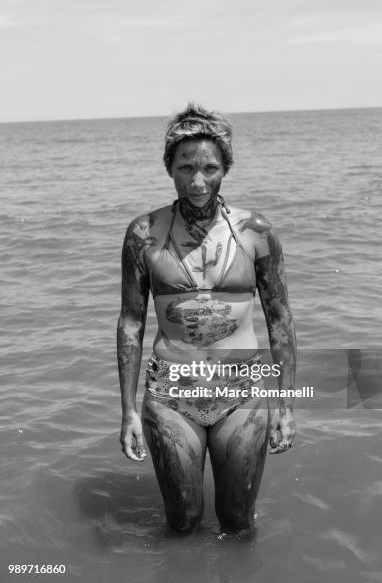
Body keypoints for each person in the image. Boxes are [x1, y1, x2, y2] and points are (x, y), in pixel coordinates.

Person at [117, 103, 296, 535]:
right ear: (169, 168)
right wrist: (128, 412)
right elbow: (130, 324)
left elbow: (280, 321)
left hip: (244, 392)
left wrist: (286, 406)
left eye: (209, 168)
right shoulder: (144, 235)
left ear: (225, 168)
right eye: (185, 168)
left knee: (237, 522)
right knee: (183, 521)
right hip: (170, 394)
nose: (197, 181)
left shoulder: (255, 231)